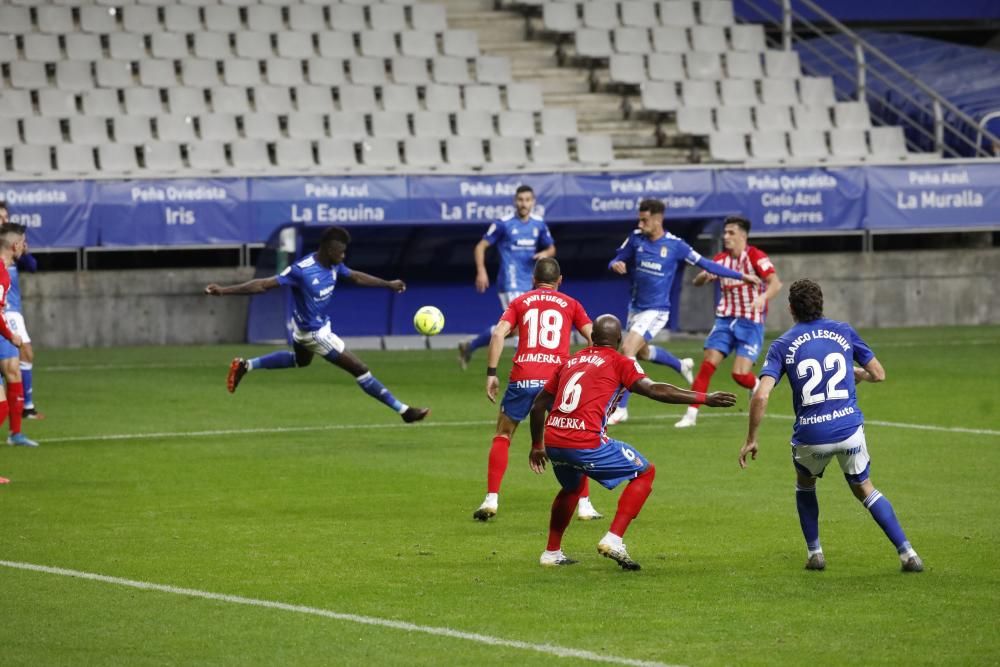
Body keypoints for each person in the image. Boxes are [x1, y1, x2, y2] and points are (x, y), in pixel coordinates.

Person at [739, 279, 923, 573]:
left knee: (805, 484)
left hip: (812, 435)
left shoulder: (782, 344)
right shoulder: (844, 331)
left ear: (790, 309)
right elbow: (879, 374)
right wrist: (857, 374)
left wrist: (751, 438)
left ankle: (815, 554)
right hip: (849, 429)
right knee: (864, 487)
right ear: (821, 303)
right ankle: (908, 554)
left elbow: (761, 394)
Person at [528, 314, 737, 569]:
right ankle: (614, 539)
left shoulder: (571, 361)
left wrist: (537, 445)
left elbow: (539, 405)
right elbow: (654, 389)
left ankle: (551, 552)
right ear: (619, 340)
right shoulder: (620, 361)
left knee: (572, 487)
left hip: (554, 441)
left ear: (592, 337)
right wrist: (703, 398)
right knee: (645, 472)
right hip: (585, 443)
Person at [205, 226, 429, 423]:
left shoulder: (333, 265)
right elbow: (263, 285)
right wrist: (224, 291)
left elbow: (356, 277)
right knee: (360, 369)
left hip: (308, 328)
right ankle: (404, 411)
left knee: (300, 361)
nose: (343, 256)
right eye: (341, 252)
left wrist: (388, 284)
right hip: (314, 334)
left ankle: (246, 365)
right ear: (329, 250)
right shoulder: (301, 271)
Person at [606, 199, 760, 425]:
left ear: (658, 219)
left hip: (656, 310)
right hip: (635, 308)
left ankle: (621, 408)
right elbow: (617, 257)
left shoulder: (675, 245)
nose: (641, 223)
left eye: (645, 219)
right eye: (640, 218)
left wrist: (742, 276)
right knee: (642, 353)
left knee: (627, 350)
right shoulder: (636, 238)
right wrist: (615, 264)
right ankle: (681, 365)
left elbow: (706, 264)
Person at [475, 257, 601, 522]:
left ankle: (491, 499)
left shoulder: (521, 301)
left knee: (503, 434)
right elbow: (594, 336)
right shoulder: (572, 304)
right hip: (558, 380)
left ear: (533, 280)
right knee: (576, 437)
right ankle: (585, 505)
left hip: (524, 377)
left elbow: (498, 333)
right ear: (560, 281)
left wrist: (491, 374)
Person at [676, 216, 782, 429]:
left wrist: (762, 298)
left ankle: (756, 385)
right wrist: (703, 277)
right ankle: (691, 415)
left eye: (731, 232)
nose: (726, 237)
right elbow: (697, 281)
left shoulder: (756, 257)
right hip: (725, 320)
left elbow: (775, 284)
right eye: (725, 232)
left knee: (739, 375)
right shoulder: (720, 260)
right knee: (707, 365)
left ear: (743, 235)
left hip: (750, 323)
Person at [458, 185, 555, 370]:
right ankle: (526, 370)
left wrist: (545, 253)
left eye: (527, 200)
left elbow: (551, 248)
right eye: (520, 200)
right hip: (509, 282)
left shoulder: (539, 224)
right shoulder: (504, 223)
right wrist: (481, 270)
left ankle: (470, 345)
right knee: (523, 325)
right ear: (515, 201)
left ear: (533, 202)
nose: (524, 204)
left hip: (530, 282)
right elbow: (480, 246)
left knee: (512, 329)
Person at [0, 206, 43, 420]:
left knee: (15, 365)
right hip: (6, 314)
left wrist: (22, 250)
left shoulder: (10, 254)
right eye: (0, 217)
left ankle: (21, 417)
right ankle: (25, 409)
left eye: (5, 216)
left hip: (10, 312)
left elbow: (33, 266)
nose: (3, 220)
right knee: (19, 359)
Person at [0, 226, 33, 446]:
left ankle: (16, 433)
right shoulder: (2, 274)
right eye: (22, 242)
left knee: (2, 404)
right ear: (14, 246)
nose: (25, 246)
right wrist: (11, 336)